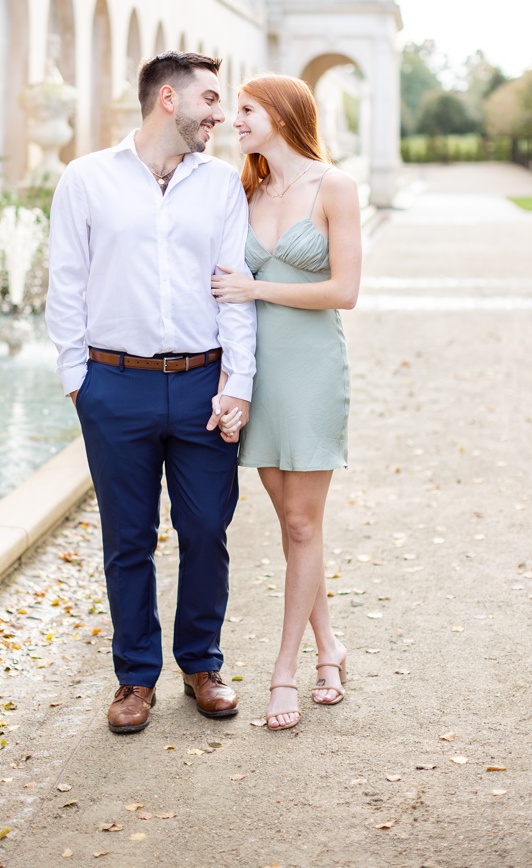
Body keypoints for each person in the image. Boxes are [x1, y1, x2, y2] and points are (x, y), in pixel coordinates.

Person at [47, 50, 256, 735]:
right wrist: (79, 380)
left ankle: (202, 665)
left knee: (205, 528)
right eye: (211, 100)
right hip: (115, 385)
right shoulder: (85, 179)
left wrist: (240, 382)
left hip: (203, 383)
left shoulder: (221, 183)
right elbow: (65, 284)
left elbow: (233, 291)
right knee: (127, 539)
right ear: (168, 98)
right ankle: (135, 677)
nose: (220, 115)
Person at [210, 75, 361, 731]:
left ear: (281, 112)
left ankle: (284, 672)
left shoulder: (336, 187)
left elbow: (345, 290)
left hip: (310, 372)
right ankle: (331, 648)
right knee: (295, 525)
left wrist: (258, 290)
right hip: (254, 374)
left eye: (245, 109)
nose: (234, 120)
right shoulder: (239, 189)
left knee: (303, 525)